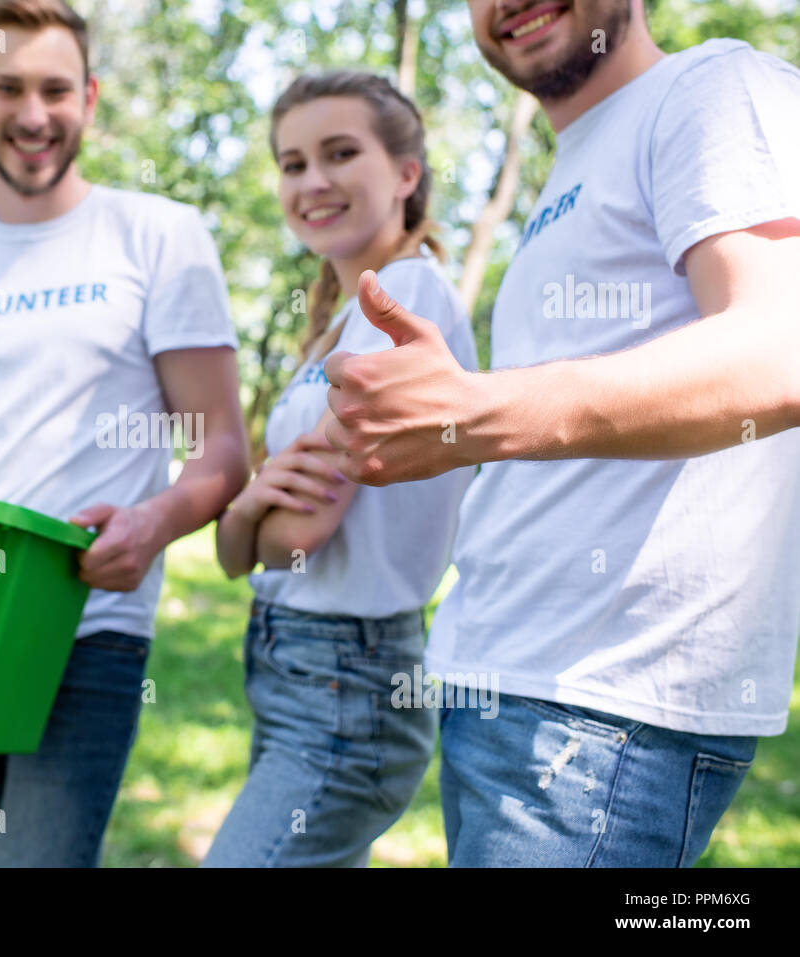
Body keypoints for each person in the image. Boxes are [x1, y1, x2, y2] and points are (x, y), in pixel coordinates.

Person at [322, 0, 800, 865]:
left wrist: (470, 415)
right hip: (512, 692)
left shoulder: (712, 88)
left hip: (604, 715)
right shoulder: (576, 164)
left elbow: (782, 349)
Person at [0, 0, 249, 867]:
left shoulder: (161, 236)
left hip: (86, 622)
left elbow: (221, 450)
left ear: (91, 98)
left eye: (54, 89)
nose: (32, 115)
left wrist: (154, 524)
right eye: (8, 88)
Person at [207, 72, 478, 868]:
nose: (311, 181)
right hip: (298, 671)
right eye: (292, 163)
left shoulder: (409, 294)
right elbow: (238, 555)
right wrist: (249, 509)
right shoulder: (338, 320)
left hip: (345, 688)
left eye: (339, 153)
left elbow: (297, 534)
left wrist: (246, 509)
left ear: (405, 172)